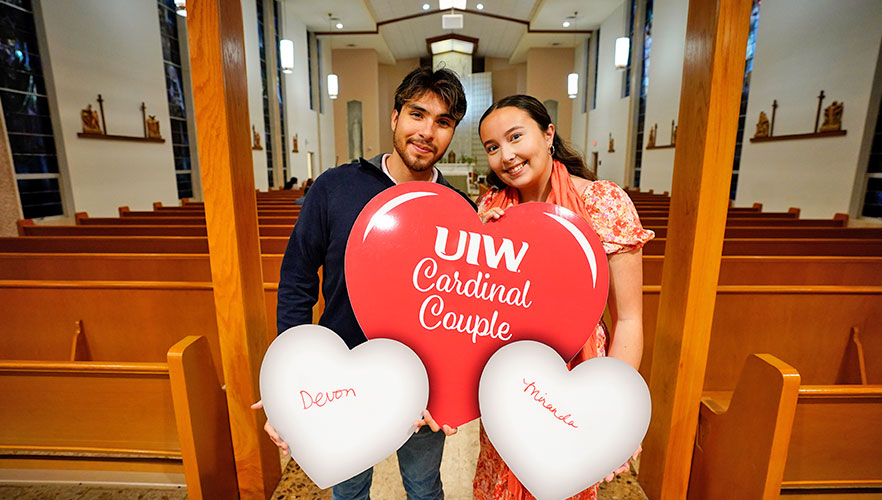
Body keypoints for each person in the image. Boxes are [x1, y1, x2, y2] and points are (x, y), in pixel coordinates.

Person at [253, 66, 474, 500]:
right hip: (343, 375)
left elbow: (469, 311)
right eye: (417, 114)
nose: (427, 131)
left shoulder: (458, 209)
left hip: (424, 387)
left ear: (452, 134)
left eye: (443, 122)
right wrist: (290, 379)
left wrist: (455, 390)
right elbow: (297, 281)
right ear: (395, 117)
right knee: (349, 490)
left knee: (424, 487)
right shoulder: (335, 187)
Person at [473, 95, 653, 500]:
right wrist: (477, 244)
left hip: (577, 379)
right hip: (507, 378)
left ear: (548, 133)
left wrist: (613, 409)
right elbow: (476, 309)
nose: (507, 155)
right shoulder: (491, 206)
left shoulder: (602, 203)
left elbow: (629, 319)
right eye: (493, 147)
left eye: (515, 137)